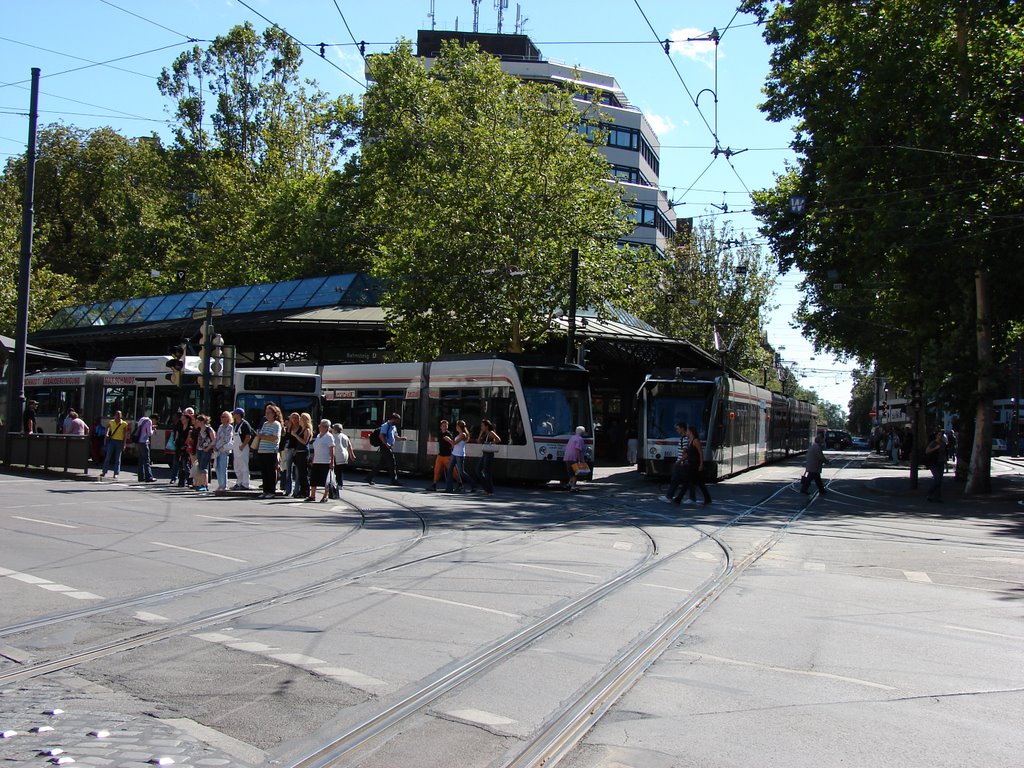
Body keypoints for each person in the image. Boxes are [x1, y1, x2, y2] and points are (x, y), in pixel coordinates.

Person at [678, 425, 713, 505]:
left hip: (695, 465)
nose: (686, 432)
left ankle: (678, 499)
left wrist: (701, 464)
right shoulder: (690, 441)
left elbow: (700, 453)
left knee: (687, 482)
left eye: (687, 431)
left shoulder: (695, 441)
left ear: (690, 432)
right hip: (691, 464)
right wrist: (681, 460)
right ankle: (707, 498)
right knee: (699, 483)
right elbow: (688, 454)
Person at [255, 403, 283, 498]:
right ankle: (265, 491)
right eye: (266, 413)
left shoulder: (277, 424)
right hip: (262, 451)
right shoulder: (265, 424)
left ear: (274, 414)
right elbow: (261, 434)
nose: (266, 415)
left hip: (271, 451)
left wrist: (262, 436)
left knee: (271, 472)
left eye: (269, 413)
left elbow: (275, 438)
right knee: (264, 472)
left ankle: (271, 492)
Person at [369, 413, 404, 485]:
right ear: (393, 419)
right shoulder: (385, 426)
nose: (397, 423)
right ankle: (394, 481)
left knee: (381, 464)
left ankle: (368, 478)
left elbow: (395, 436)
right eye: (397, 421)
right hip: (385, 447)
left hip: (389, 446)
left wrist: (401, 438)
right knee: (392, 463)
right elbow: (381, 436)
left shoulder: (393, 427)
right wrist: (386, 444)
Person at [662, 422, 691, 503]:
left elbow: (684, 451)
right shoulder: (685, 438)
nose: (677, 430)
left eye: (678, 428)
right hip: (682, 462)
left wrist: (681, 461)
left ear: (682, 428)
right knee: (684, 481)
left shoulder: (684, 439)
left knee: (676, 480)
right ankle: (672, 496)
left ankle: (669, 496)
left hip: (681, 463)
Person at [309, 419, 336, 502]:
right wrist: (313, 458)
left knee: (326, 480)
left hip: (325, 461)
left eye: (320, 425)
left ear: (325, 427)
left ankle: (325, 495)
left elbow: (332, 449)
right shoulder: (318, 435)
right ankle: (312, 495)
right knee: (313, 479)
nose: (318, 426)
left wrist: (332, 461)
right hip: (317, 461)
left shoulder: (329, 436)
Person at [445, 420, 474, 493]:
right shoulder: (459, 434)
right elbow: (454, 445)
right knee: (449, 469)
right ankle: (449, 488)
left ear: (459, 426)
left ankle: (473, 484)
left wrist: (448, 439)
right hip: (455, 454)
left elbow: (454, 443)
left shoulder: (463, 434)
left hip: (460, 455)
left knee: (461, 472)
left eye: (456, 426)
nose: (456, 427)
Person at [290, 412, 314, 499]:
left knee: (304, 473)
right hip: (299, 452)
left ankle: (305, 491)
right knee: (300, 473)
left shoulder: (307, 430)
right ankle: (302, 491)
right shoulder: (302, 429)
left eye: (301, 419)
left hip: (303, 452)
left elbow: (304, 442)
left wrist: (295, 435)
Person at [474, 418, 501, 495]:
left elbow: (498, 439)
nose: (481, 427)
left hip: (489, 454)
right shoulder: (484, 433)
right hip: (484, 453)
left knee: (487, 472)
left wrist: (491, 442)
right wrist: (480, 433)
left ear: (486, 426)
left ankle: (489, 490)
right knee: (478, 470)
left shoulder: (491, 433)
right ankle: (487, 488)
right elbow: (478, 441)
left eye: (482, 425)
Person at [101, 410, 129, 479]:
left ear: (121, 416)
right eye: (117, 415)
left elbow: (125, 434)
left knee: (118, 458)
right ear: (115, 415)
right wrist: (106, 434)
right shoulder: (111, 422)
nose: (118, 416)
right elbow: (107, 427)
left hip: (120, 442)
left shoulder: (124, 424)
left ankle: (116, 473)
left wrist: (124, 444)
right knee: (108, 457)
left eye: (119, 415)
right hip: (112, 441)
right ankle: (104, 472)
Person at [231, 407, 254, 490]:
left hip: (243, 448)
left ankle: (245, 483)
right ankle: (239, 482)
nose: (233, 415)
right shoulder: (236, 424)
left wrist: (242, 445)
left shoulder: (245, 424)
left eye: (234, 413)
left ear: (238, 415)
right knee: (237, 465)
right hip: (236, 448)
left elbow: (248, 436)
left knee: (244, 466)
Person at [430, 419, 455, 492]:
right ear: (441, 427)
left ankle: (459, 483)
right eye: (443, 426)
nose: (445, 427)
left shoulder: (449, 434)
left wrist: (449, 440)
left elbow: (453, 444)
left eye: (446, 425)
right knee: (437, 471)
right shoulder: (440, 433)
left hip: (447, 455)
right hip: (440, 455)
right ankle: (434, 484)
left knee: (453, 472)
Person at [193, 414, 216, 492]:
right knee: (200, 467)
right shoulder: (200, 429)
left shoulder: (209, 429)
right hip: (200, 449)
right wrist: (196, 448)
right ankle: (201, 484)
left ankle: (204, 485)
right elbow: (199, 440)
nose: (197, 423)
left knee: (204, 468)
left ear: (202, 421)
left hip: (206, 450)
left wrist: (208, 448)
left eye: (198, 421)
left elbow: (214, 440)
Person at [171, 409, 193, 487]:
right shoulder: (179, 426)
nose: (182, 420)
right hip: (179, 446)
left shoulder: (190, 428)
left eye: (183, 419)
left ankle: (190, 480)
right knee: (180, 464)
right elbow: (177, 435)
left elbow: (188, 438)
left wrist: (185, 445)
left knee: (185, 464)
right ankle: (181, 481)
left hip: (185, 447)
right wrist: (176, 443)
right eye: (181, 419)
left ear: (187, 419)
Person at [280, 412, 301, 496]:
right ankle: (288, 490)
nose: (294, 419)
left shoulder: (300, 428)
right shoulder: (290, 427)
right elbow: (286, 438)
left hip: (297, 450)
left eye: (296, 418)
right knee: (288, 470)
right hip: (289, 449)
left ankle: (296, 490)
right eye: (293, 418)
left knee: (297, 471)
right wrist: (288, 429)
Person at [213, 411, 234, 492]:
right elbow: (217, 437)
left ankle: (224, 485)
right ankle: (220, 484)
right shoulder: (220, 427)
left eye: (224, 416)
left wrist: (218, 446)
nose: (222, 418)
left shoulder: (230, 427)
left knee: (223, 468)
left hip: (224, 450)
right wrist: (214, 445)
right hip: (217, 450)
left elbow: (227, 439)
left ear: (228, 418)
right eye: (221, 416)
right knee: (217, 467)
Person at [330, 423, 355, 488]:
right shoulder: (345, 436)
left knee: (336, 471)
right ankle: (339, 484)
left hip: (338, 455)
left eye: (333, 428)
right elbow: (349, 446)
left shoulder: (334, 436)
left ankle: (338, 484)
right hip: (344, 456)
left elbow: (332, 447)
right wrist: (352, 455)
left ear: (335, 430)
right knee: (339, 471)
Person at [563, 425, 587, 493]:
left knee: (570, 472)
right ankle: (573, 487)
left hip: (567, 457)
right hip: (574, 457)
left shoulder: (572, 437)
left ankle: (569, 484)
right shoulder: (579, 439)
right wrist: (579, 460)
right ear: (582, 432)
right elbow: (577, 450)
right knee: (575, 473)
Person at [925, 428, 945, 503]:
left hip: (941, 463)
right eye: (939, 435)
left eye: (941, 435)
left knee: (940, 480)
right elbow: (927, 451)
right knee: (937, 479)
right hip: (934, 463)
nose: (940, 436)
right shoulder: (933, 443)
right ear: (936, 435)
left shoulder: (943, 443)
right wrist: (935, 448)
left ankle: (938, 497)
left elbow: (943, 454)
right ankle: (929, 493)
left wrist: (945, 463)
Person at [135, 412, 156, 482]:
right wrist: (153, 430)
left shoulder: (142, 419)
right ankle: (149, 477)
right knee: (147, 460)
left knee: (140, 460)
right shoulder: (149, 421)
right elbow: (149, 433)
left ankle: (140, 477)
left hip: (139, 442)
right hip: (144, 442)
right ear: (154, 419)